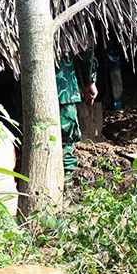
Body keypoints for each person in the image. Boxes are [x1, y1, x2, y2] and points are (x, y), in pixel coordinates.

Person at [56, 51, 97, 179]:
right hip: (63, 92)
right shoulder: (64, 30)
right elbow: (86, 47)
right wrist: (90, 80)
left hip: (26, 98)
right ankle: (65, 195)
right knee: (65, 148)